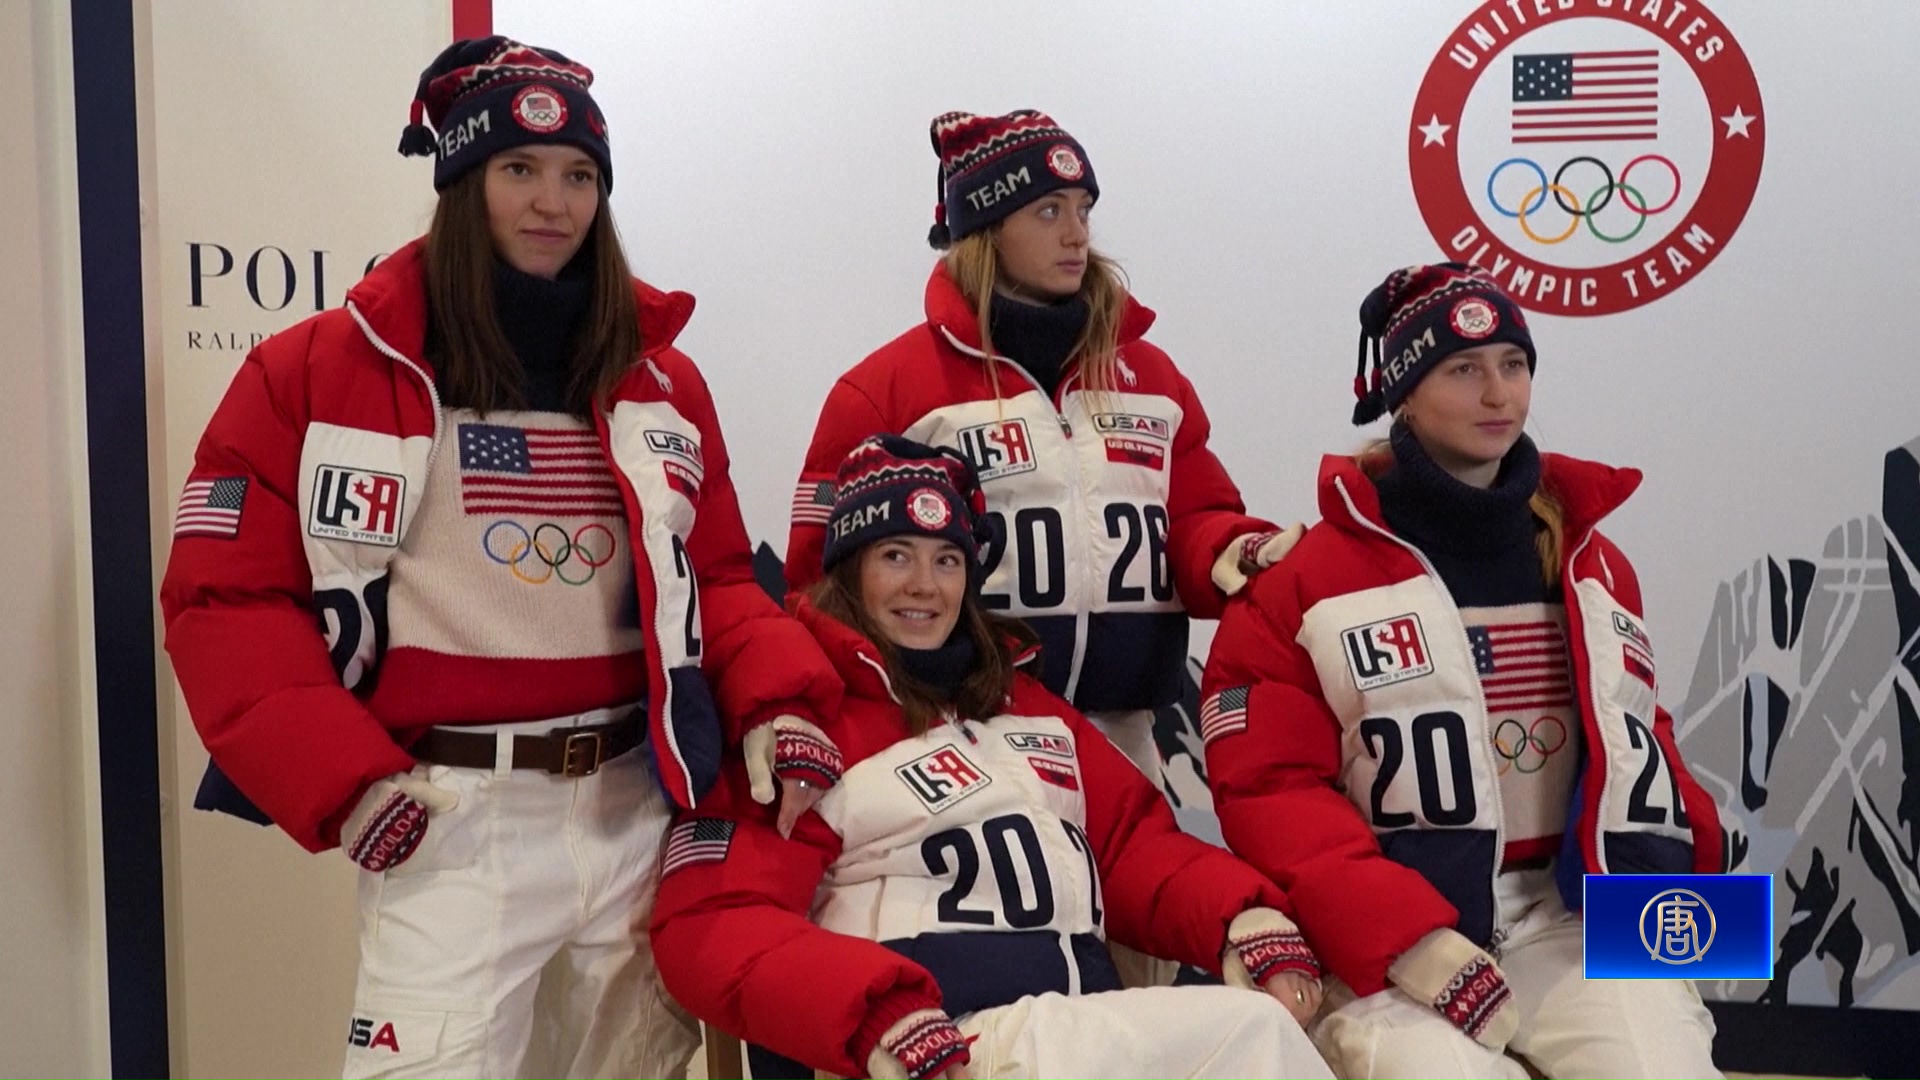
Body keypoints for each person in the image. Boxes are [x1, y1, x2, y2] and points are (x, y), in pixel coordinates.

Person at [158, 37, 842, 1080]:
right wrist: (346, 786)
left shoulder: (660, 378)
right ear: (462, 181)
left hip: (635, 808)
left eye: (579, 176)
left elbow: (719, 582)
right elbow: (226, 603)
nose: (552, 203)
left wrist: (780, 710)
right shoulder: (319, 368)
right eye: (519, 169)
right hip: (451, 822)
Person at [653, 436, 1337, 1080]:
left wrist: (1239, 917)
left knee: (1255, 1034)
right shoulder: (803, 719)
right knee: (1250, 1034)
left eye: (946, 560)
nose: (925, 585)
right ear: (849, 571)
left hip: (1073, 1021)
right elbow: (716, 918)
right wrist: (876, 1014)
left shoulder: (1022, 703)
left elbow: (1132, 844)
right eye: (896, 556)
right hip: (936, 1041)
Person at [1201, 263, 1725, 1080]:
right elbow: (1271, 790)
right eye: (1463, 369)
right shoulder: (1303, 581)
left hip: (1565, 920)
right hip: (1392, 938)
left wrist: (1687, 873)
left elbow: (1639, 731)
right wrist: (1402, 938)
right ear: (1403, 394)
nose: (1498, 393)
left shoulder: (1589, 558)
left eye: (1513, 364)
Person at [785, 109, 1295, 788]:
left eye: (1084, 208)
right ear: (987, 228)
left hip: (1127, 736)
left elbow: (1196, 519)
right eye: (1049, 211)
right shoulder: (885, 391)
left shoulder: (1152, 377)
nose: (1078, 233)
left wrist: (1235, 550)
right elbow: (817, 587)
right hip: (958, 733)